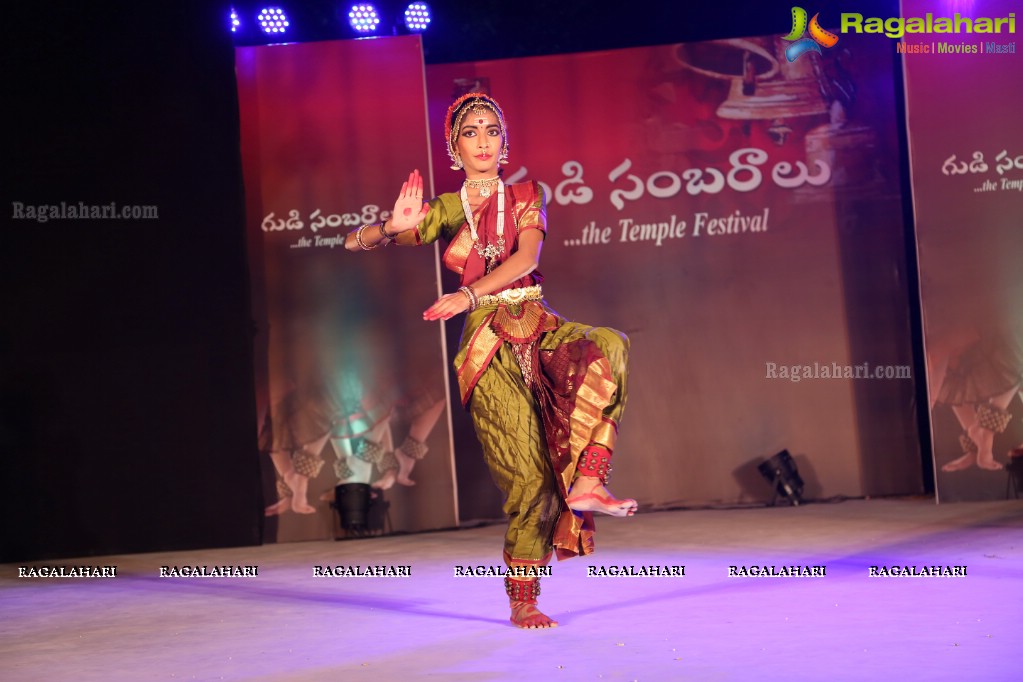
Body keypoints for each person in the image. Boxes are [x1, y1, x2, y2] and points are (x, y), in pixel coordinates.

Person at [345, 92, 637, 629]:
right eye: (471, 132)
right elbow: (350, 242)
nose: (483, 141)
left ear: (504, 142)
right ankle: (523, 596)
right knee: (528, 478)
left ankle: (591, 479)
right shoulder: (447, 208)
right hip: (487, 348)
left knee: (609, 346)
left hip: (539, 325)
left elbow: (527, 258)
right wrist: (389, 227)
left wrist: (469, 294)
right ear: (454, 147)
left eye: (491, 131)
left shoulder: (528, 192)